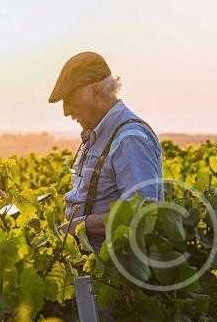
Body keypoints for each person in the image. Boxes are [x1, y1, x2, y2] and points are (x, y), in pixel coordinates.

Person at [49, 51, 164, 249]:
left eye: (69, 99)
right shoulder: (98, 134)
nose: (66, 111)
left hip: (114, 265)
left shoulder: (130, 139)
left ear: (96, 92)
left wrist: (83, 225)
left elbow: (144, 215)